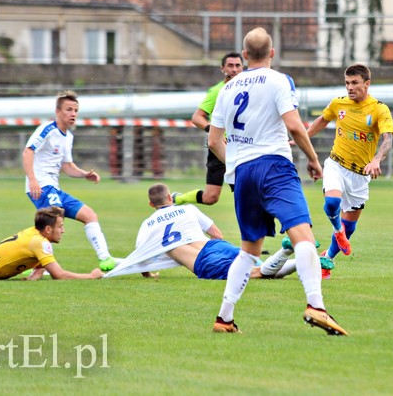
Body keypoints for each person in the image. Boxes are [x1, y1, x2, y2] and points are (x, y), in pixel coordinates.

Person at [207, 26, 349, 335]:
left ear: (244, 56)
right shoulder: (279, 80)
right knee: (303, 236)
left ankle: (224, 318)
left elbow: (214, 140)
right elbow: (295, 126)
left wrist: (234, 164)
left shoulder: (227, 89)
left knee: (249, 250)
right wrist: (312, 159)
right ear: (272, 53)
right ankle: (316, 306)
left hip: (242, 173)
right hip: (274, 166)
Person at [104, 183, 332, 280]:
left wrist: (150, 274)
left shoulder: (147, 225)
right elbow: (217, 233)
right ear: (169, 198)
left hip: (204, 262)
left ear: (151, 204)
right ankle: (309, 260)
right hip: (214, 246)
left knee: (259, 274)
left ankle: (287, 253)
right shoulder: (188, 209)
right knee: (256, 269)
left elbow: (142, 256)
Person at [304, 63, 393, 279]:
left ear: (367, 84)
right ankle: (337, 231)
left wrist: (376, 160)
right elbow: (323, 120)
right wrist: (303, 136)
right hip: (336, 164)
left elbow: (388, 139)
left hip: (360, 176)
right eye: (347, 83)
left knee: (351, 227)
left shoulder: (378, 109)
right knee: (332, 203)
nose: (350, 87)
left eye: (355, 83)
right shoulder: (338, 104)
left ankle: (327, 258)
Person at [22, 90, 119, 271]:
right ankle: (37, 266)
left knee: (89, 215)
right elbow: (28, 151)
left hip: (53, 188)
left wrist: (84, 174)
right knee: (53, 223)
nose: (73, 114)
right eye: (68, 109)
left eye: (75, 110)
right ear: (58, 112)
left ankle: (105, 260)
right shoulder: (47, 130)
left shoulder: (68, 137)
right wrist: (33, 180)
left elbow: (67, 166)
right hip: (41, 187)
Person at [173, 52, 244, 206]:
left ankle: (251, 227)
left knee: (244, 190)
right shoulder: (218, 91)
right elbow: (197, 117)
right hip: (218, 146)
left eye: (238, 65)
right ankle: (179, 198)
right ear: (222, 69)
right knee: (210, 198)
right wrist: (213, 131)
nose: (234, 69)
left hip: (241, 146)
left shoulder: (249, 89)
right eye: (230, 65)